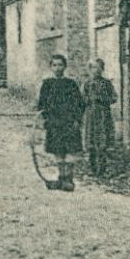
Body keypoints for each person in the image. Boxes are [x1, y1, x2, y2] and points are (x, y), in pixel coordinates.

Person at [36, 54, 85, 191]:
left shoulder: (71, 84)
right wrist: (46, 119)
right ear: (51, 67)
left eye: (60, 65)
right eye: (55, 65)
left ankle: (68, 179)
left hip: (69, 121)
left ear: (65, 66)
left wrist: (77, 119)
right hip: (54, 122)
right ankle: (61, 178)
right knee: (58, 150)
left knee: (70, 150)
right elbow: (42, 104)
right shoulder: (47, 84)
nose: (58, 68)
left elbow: (79, 104)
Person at [82, 58, 118, 176]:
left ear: (102, 69)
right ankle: (93, 168)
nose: (95, 70)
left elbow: (114, 98)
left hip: (103, 115)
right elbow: (81, 99)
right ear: (90, 70)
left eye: (98, 68)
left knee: (102, 142)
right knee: (91, 141)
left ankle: (102, 168)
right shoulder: (86, 84)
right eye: (93, 68)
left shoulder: (107, 83)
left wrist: (102, 99)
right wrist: (87, 100)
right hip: (91, 115)